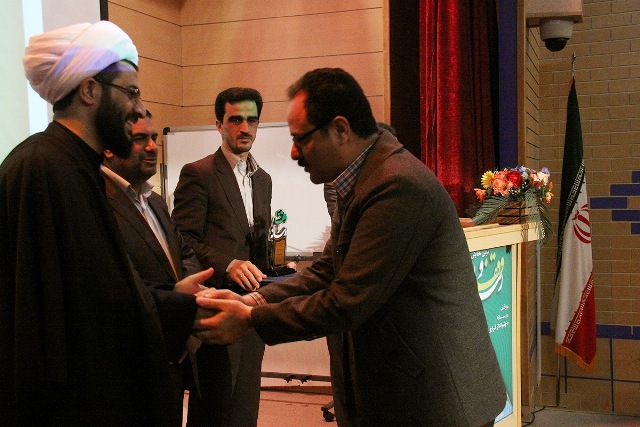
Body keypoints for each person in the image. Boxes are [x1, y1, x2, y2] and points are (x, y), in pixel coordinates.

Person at [194, 68, 507, 426]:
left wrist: (251, 319)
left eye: (301, 138)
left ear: (341, 129)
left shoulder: (396, 185)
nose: (294, 152)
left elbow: (347, 301)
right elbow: (329, 268)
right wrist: (255, 299)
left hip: (435, 402)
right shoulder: (363, 177)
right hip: (402, 391)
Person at [0, 21, 212, 426]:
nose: (138, 108)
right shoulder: (45, 169)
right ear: (89, 90)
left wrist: (174, 299)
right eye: (131, 92)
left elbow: (97, 289)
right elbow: (61, 320)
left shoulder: (75, 167)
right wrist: (179, 309)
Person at [101, 110, 217, 423]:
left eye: (153, 137)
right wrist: (176, 296)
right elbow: (115, 277)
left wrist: (193, 288)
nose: (153, 146)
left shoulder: (153, 200)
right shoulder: (97, 202)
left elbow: (183, 250)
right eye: (140, 139)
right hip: (131, 362)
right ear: (109, 148)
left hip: (171, 354)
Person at [171, 87, 270, 426]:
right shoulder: (198, 173)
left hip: (253, 306)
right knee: (216, 409)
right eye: (236, 120)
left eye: (252, 120)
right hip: (216, 307)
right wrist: (228, 264)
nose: (245, 128)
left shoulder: (263, 179)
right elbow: (182, 238)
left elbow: (253, 243)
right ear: (219, 125)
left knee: (245, 406)